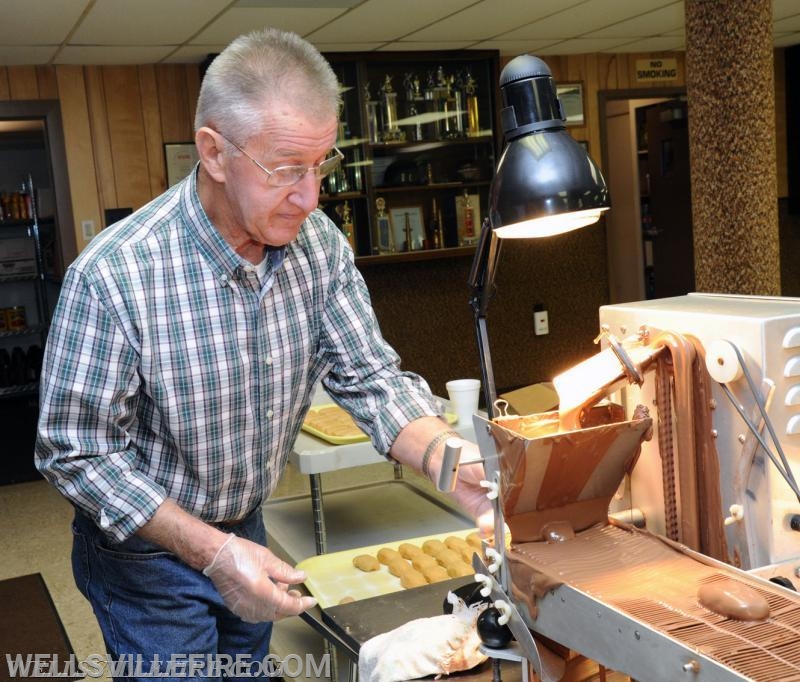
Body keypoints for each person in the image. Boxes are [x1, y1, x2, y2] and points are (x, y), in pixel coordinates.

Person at [35, 26, 490, 674]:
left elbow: (370, 379)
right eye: (285, 170)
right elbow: (73, 451)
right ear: (214, 153)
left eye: (321, 166)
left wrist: (453, 465)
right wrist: (214, 555)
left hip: (245, 523)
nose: (310, 197)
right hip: (144, 552)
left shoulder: (320, 247)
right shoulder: (115, 277)